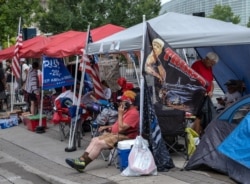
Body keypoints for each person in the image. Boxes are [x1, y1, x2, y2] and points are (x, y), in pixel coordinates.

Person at [65, 90, 139, 172]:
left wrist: (120, 114)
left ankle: (83, 164)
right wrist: (107, 126)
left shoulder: (133, 113)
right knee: (94, 139)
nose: (120, 103)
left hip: (126, 136)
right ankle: (81, 160)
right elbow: (119, 124)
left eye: (122, 101)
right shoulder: (126, 111)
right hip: (116, 133)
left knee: (99, 144)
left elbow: (122, 128)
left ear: (128, 102)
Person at [191, 52, 219, 135]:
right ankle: (196, 136)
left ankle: (201, 134)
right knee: (199, 116)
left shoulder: (209, 68)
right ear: (206, 59)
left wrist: (211, 91)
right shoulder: (197, 65)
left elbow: (211, 82)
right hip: (198, 95)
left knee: (205, 116)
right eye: (211, 63)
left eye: (213, 64)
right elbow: (192, 80)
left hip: (206, 96)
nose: (212, 65)